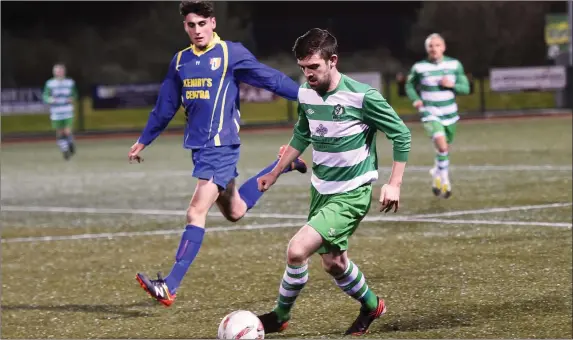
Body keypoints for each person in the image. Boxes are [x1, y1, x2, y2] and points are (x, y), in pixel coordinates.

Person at [128, 1, 307, 307]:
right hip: (200, 149)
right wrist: (144, 140)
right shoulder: (181, 61)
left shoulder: (229, 53)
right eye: (190, 25)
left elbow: (269, 78)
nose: (197, 30)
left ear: (212, 23)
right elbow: (166, 105)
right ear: (185, 27)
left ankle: (169, 285)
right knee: (235, 210)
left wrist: (306, 95)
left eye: (201, 23)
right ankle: (284, 164)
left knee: (195, 212)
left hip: (220, 146)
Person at [255, 28, 412, 336]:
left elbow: (401, 134)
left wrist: (394, 183)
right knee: (334, 264)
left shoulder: (362, 97)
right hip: (321, 191)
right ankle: (372, 305)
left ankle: (280, 316)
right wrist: (275, 171)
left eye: (314, 66)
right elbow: (303, 133)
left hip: (352, 194)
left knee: (297, 250)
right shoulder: (306, 93)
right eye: (303, 67)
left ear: (333, 60)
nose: (308, 74)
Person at [405, 33, 470, 198]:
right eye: (431, 46)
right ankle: (445, 179)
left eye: (437, 45)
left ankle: (436, 174)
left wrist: (452, 85)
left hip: (450, 114)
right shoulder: (419, 67)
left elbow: (466, 88)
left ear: (444, 47)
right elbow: (409, 85)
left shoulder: (454, 65)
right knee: (442, 146)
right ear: (427, 49)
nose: (434, 49)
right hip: (430, 113)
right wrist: (416, 100)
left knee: (444, 149)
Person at [42, 63, 78, 160]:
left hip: (67, 110)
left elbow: (75, 94)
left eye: (61, 71)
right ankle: (65, 150)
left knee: (67, 131)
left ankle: (70, 144)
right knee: (60, 132)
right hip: (56, 111)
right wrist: (50, 99)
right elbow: (45, 96)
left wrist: (72, 98)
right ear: (54, 73)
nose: (59, 73)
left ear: (64, 72)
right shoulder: (50, 83)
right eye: (57, 71)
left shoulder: (70, 82)